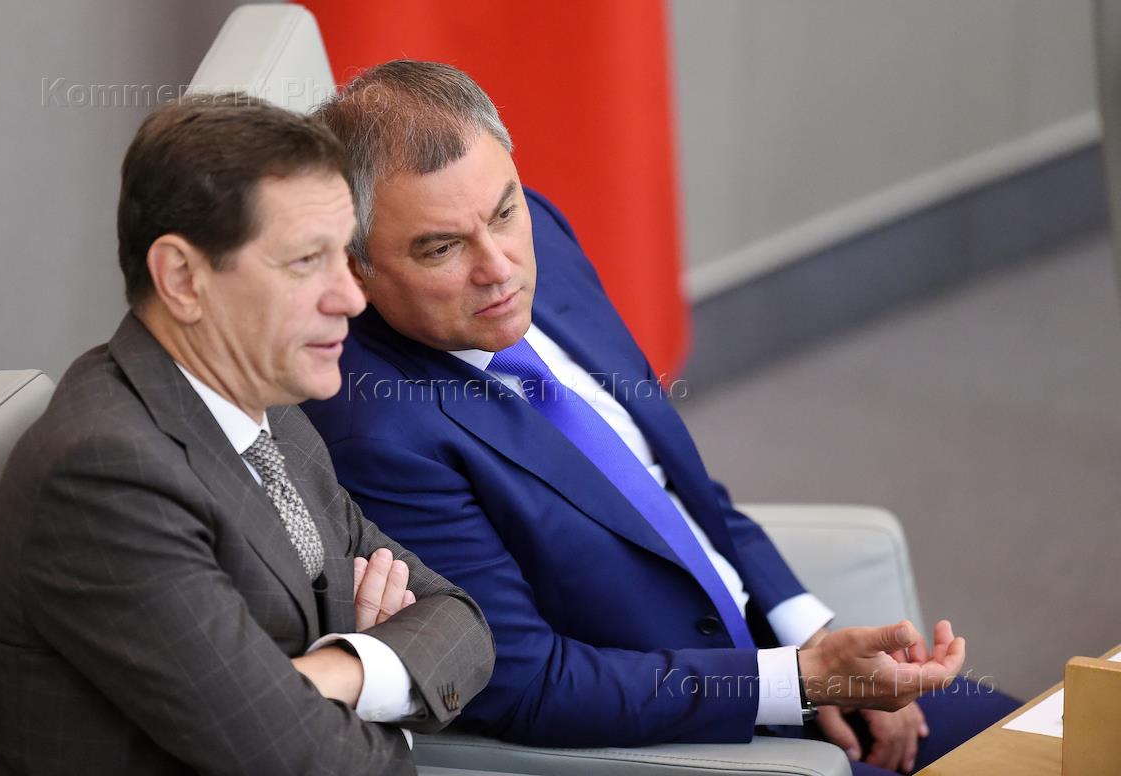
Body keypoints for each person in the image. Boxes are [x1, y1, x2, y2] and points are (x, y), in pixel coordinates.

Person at [302, 61, 1018, 775]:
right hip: (676, 737)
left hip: (780, 657)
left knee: (1052, 737)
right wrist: (799, 680)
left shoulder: (542, 237)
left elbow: (676, 487)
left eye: (503, 212)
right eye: (441, 248)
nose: (499, 268)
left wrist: (811, 635)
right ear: (356, 267)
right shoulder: (378, 434)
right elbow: (531, 682)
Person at [0, 93, 495, 776]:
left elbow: (459, 620)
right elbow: (308, 759)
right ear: (182, 279)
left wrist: (340, 671)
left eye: (344, 256)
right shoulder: (104, 477)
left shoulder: (269, 411)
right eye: (306, 261)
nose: (351, 297)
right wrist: (355, 697)